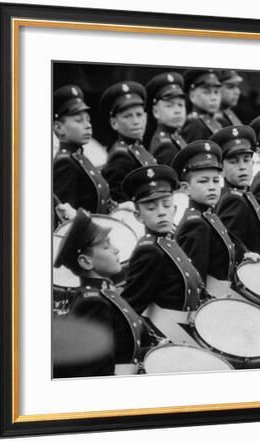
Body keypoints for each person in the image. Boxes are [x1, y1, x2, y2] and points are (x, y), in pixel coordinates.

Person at [53, 209, 156, 377]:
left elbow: (124, 347)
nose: (116, 250)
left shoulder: (107, 294)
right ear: (86, 262)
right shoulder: (93, 303)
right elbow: (95, 371)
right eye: (106, 247)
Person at [120, 165, 205, 314]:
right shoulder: (150, 251)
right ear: (138, 216)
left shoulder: (169, 241)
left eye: (166, 205)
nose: (161, 213)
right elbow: (130, 308)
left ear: (175, 209)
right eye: (151, 208)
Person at [211, 125, 260, 260]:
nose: (242, 167)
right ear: (221, 168)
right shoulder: (232, 200)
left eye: (246, 160)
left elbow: (259, 208)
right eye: (233, 162)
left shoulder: (243, 193)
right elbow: (228, 242)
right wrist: (243, 253)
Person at [172, 140, 237, 282]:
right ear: (185, 188)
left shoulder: (207, 215)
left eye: (215, 180)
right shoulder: (197, 225)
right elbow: (197, 280)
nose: (212, 187)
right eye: (203, 181)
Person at [53, 85, 114, 217]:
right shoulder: (66, 163)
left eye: (88, 119)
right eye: (79, 120)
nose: (88, 125)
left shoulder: (79, 157)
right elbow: (65, 221)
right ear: (58, 128)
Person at [100, 81, 157, 202]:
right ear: (114, 123)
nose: (136, 121)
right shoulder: (121, 156)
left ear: (146, 117)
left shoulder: (137, 147)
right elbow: (122, 203)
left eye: (139, 114)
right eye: (128, 116)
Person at [146, 72, 187, 165]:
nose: (177, 111)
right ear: (156, 112)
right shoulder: (164, 147)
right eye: (169, 106)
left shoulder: (175, 136)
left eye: (180, 105)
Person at [181, 69, 224, 142]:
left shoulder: (220, 120)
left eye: (216, 92)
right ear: (192, 96)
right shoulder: (194, 126)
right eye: (206, 92)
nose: (214, 98)